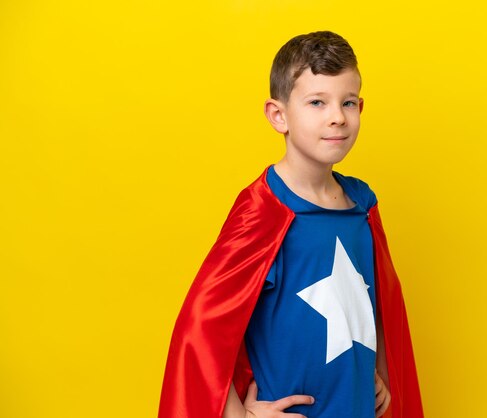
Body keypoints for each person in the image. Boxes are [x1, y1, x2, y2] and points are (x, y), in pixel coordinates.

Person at [158, 31, 424, 418]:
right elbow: (199, 331)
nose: (337, 116)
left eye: (348, 102)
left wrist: (376, 372)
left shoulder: (362, 206)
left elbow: (376, 309)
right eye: (317, 102)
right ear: (278, 115)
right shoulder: (263, 209)